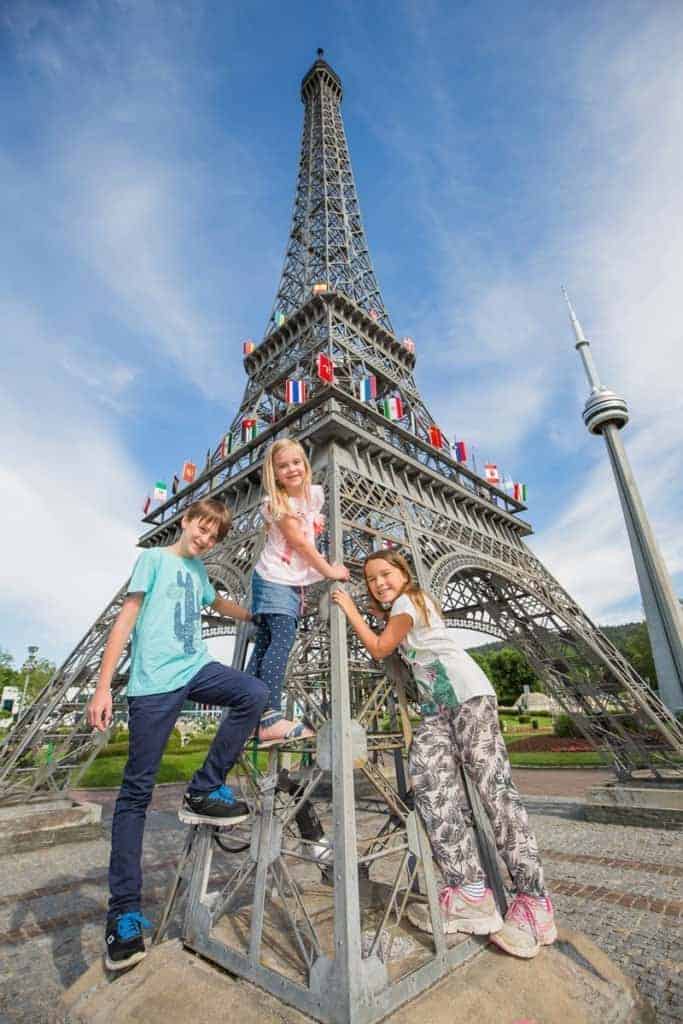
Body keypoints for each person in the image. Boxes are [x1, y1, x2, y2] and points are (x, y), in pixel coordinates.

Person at [331, 550, 557, 959]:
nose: (379, 582)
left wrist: (350, 609)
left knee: (496, 793)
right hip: (437, 711)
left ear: (404, 573)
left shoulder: (411, 601)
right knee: (430, 784)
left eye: (386, 573)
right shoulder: (401, 610)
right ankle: (471, 890)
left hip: (469, 699)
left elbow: (382, 648)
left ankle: (535, 903)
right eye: (370, 579)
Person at [87, 498, 268, 972]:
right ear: (186, 521)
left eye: (213, 535)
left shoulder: (199, 573)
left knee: (253, 692)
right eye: (201, 527)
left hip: (195, 668)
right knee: (135, 793)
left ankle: (204, 786)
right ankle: (124, 913)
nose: (205, 538)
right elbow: (125, 620)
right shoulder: (153, 560)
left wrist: (253, 615)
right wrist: (103, 686)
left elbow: (218, 602)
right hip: (152, 683)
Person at [248, 438, 349, 742]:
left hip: (285, 582)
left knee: (265, 646)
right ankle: (269, 718)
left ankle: (245, 711)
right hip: (275, 580)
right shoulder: (276, 505)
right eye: (283, 465)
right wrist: (330, 570)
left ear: (305, 465)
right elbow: (301, 544)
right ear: (274, 473)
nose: (291, 469)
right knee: (280, 642)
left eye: (296, 462)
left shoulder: (312, 498)